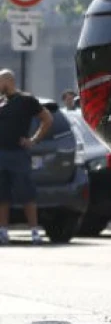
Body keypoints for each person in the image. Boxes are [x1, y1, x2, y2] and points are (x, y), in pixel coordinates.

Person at [0, 69, 53, 245]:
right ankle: (3, 232)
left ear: (7, 82)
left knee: (26, 194)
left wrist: (33, 140)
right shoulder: (1, 102)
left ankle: (34, 232)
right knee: (2, 196)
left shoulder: (26, 101)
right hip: (1, 155)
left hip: (18, 154)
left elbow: (47, 119)